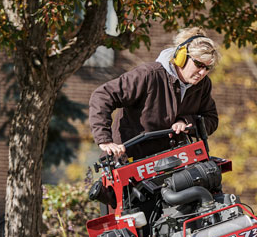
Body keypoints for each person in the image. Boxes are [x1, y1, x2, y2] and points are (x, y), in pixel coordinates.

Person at [89, 27, 220, 160]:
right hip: (129, 158)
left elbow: (211, 119)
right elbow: (102, 96)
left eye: (207, 67)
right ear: (181, 57)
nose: (202, 72)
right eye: (198, 64)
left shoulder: (203, 85)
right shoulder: (148, 75)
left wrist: (186, 122)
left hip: (171, 162)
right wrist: (105, 140)